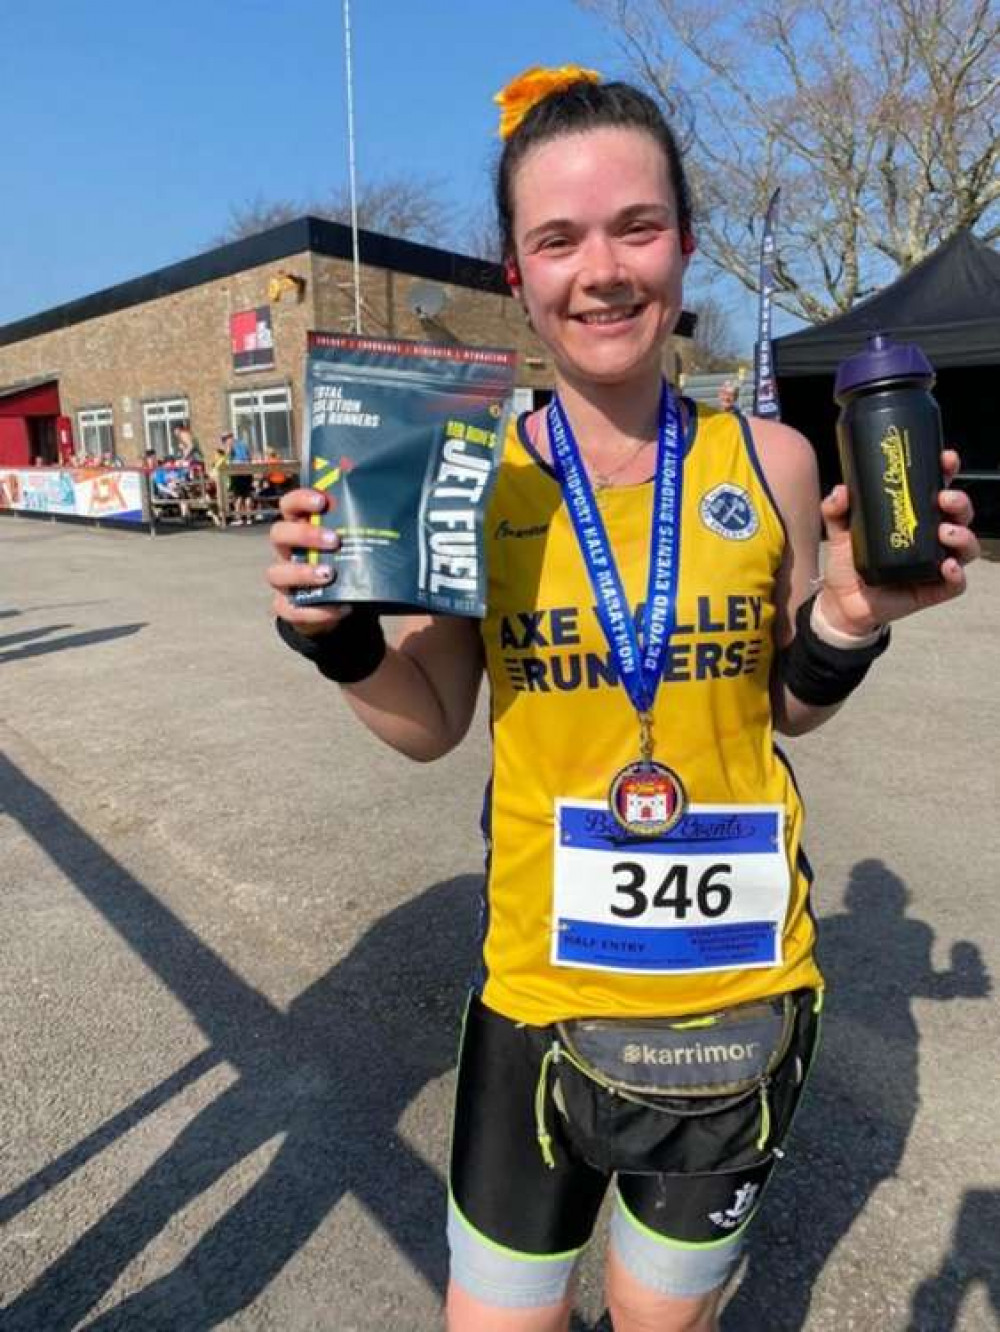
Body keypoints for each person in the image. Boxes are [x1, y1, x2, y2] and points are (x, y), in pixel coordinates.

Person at [266, 67, 978, 1332]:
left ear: (684, 244)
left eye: (635, 227)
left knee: (661, 1323)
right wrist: (335, 642)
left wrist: (851, 624)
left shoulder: (773, 458)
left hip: (741, 996)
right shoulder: (462, 470)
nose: (602, 270)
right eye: (559, 238)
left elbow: (784, 706)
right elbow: (433, 721)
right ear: (515, 274)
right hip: (539, 994)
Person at [224, 430, 255, 525]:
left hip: (237, 472)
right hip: (247, 471)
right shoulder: (243, 444)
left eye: (224, 439)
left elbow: (227, 457)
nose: (224, 442)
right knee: (247, 495)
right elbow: (250, 457)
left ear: (228, 438)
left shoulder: (230, 445)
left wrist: (227, 453)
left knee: (238, 496)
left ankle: (239, 518)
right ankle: (249, 518)